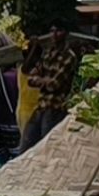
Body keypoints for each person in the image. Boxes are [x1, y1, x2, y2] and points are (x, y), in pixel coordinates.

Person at [21, 22, 81, 152]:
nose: (54, 34)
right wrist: (43, 80)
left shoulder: (69, 56)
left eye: (58, 31)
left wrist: (40, 80)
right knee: (26, 146)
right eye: (52, 31)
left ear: (66, 33)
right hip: (41, 105)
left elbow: (54, 84)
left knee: (48, 148)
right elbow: (30, 79)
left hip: (55, 107)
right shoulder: (47, 53)